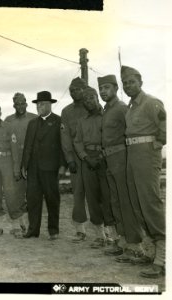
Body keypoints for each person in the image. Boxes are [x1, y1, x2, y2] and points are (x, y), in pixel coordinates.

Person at [121, 65, 166, 278]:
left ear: (140, 82)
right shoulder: (130, 108)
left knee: (150, 202)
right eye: (125, 83)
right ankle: (151, 252)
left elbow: (164, 131)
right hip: (132, 155)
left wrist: (153, 149)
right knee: (137, 203)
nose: (128, 86)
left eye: (131, 82)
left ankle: (163, 257)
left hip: (146, 155)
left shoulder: (151, 103)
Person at [97, 75, 145, 259]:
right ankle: (124, 243)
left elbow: (131, 133)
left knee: (126, 202)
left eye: (107, 87)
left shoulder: (121, 108)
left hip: (121, 157)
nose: (103, 91)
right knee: (115, 202)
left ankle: (136, 247)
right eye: (101, 88)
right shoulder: (107, 110)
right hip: (109, 159)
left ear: (116, 88)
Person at [73, 86, 117, 248]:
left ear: (97, 98)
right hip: (88, 161)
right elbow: (77, 142)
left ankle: (112, 236)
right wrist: (85, 157)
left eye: (91, 98)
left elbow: (113, 138)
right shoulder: (82, 121)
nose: (88, 102)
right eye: (85, 100)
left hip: (105, 159)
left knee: (108, 197)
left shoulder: (106, 116)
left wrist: (102, 155)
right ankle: (100, 235)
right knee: (92, 198)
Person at [21, 91, 66, 240]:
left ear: (49, 105)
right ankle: (33, 230)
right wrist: (24, 165)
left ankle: (53, 231)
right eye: (38, 104)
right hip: (33, 169)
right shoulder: (32, 123)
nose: (39, 107)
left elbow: (63, 146)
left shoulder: (58, 121)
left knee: (52, 199)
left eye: (42, 104)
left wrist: (62, 165)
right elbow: (27, 146)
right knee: (33, 200)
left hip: (50, 168)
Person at [0, 102, 25, 238]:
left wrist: (16, 168)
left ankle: (16, 226)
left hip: (7, 162)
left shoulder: (9, 127)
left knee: (10, 194)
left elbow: (14, 149)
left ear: (0, 112)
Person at [60, 77, 88, 242]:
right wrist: (69, 159)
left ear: (85, 89)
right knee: (78, 193)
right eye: (72, 90)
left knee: (99, 194)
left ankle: (104, 230)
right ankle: (80, 228)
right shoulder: (66, 111)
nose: (74, 93)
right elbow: (65, 137)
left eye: (78, 89)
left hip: (94, 156)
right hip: (76, 159)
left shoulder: (93, 107)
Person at [4, 92, 36, 234]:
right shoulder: (8, 120)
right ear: (14, 105)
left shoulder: (34, 118)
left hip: (32, 159)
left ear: (26, 104)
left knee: (32, 192)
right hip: (15, 160)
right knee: (16, 193)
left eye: (23, 103)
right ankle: (19, 222)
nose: (20, 106)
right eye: (17, 104)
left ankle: (31, 222)